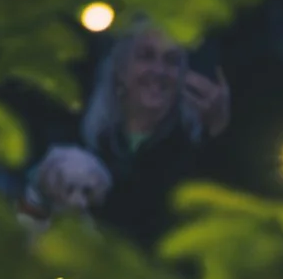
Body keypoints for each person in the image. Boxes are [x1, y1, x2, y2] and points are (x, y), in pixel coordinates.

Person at [76, 20, 231, 247]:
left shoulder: (193, 149)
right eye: (146, 56)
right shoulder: (87, 148)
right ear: (120, 69)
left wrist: (217, 131)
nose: (159, 71)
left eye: (171, 61)